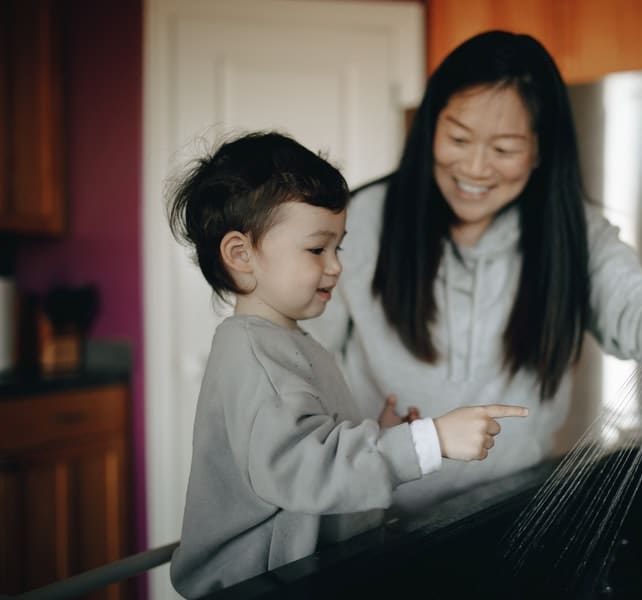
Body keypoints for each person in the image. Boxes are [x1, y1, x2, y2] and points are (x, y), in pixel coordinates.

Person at [305, 30, 642, 515]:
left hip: (506, 514)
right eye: (457, 137)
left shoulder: (573, 233)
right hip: (371, 524)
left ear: (540, 151)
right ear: (430, 127)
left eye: (504, 148)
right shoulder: (360, 223)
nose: (474, 167)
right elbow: (303, 368)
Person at [165, 131, 528, 597]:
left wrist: (375, 428)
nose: (336, 265)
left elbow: (309, 441)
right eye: (317, 249)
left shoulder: (288, 342)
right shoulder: (254, 355)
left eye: (338, 247)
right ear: (241, 255)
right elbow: (305, 470)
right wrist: (428, 440)